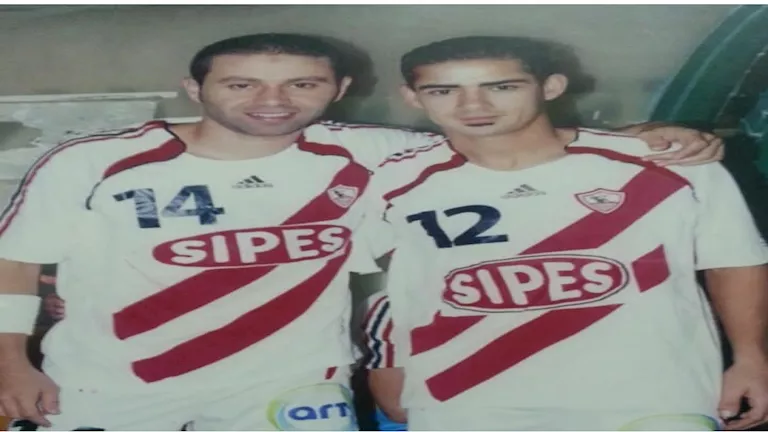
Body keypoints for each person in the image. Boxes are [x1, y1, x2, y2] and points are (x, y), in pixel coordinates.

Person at [0, 32, 723, 431]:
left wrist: (640, 135)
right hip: (106, 384)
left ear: (339, 90)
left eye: (302, 84)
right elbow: (15, 261)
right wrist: (10, 363)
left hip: (290, 386)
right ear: (196, 89)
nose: (273, 101)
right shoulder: (93, 161)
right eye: (242, 84)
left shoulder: (373, 154)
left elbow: (503, 136)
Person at [366, 36, 768, 431]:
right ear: (412, 97)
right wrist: (385, 364)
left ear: (551, 86)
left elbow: (734, 261)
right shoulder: (387, 180)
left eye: (502, 87)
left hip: (654, 392)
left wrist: (751, 359)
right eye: (443, 91)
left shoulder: (671, 162)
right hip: (467, 398)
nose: (473, 106)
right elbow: (366, 281)